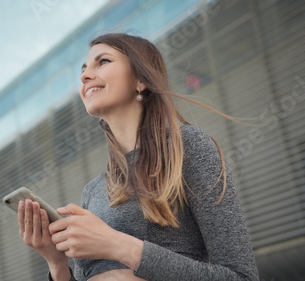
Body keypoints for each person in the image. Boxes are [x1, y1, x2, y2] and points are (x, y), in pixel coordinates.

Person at [16, 33, 260, 281]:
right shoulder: (93, 191)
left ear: (141, 79)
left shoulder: (188, 147)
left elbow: (241, 277)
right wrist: (57, 265)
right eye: (83, 69)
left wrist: (117, 245)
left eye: (103, 62)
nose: (85, 76)